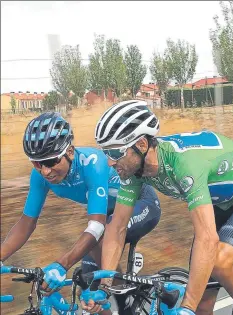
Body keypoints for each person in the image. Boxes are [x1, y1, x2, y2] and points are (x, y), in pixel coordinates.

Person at [80, 100, 233, 315]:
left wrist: (187, 307)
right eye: (106, 153)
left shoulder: (184, 165)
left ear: (141, 145)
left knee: (220, 262)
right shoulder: (133, 170)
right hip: (220, 204)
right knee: (203, 308)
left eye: (116, 153)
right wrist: (104, 287)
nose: (110, 162)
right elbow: (117, 228)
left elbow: (207, 238)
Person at [0, 111, 161, 315]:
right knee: (88, 293)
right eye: (37, 163)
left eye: (50, 161)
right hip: (108, 212)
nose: (45, 171)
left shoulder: (92, 163)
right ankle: (117, 284)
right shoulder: (40, 176)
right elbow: (26, 223)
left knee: (101, 236)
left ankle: (125, 300)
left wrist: (61, 265)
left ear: (69, 151)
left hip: (142, 203)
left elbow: (96, 226)